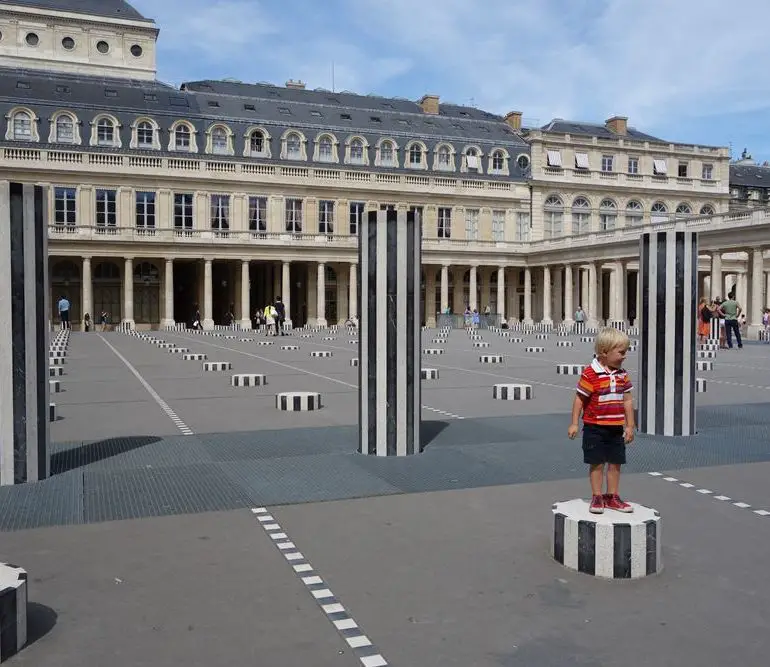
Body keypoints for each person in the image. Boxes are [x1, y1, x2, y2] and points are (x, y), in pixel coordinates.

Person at [568, 327, 635, 514]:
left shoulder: (622, 374)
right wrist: (574, 423)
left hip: (616, 428)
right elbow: (579, 399)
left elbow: (628, 400)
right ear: (604, 352)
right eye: (621, 352)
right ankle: (597, 496)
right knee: (597, 463)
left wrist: (630, 426)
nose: (625, 356)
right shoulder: (591, 373)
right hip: (594, 427)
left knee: (615, 463)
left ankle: (612, 496)